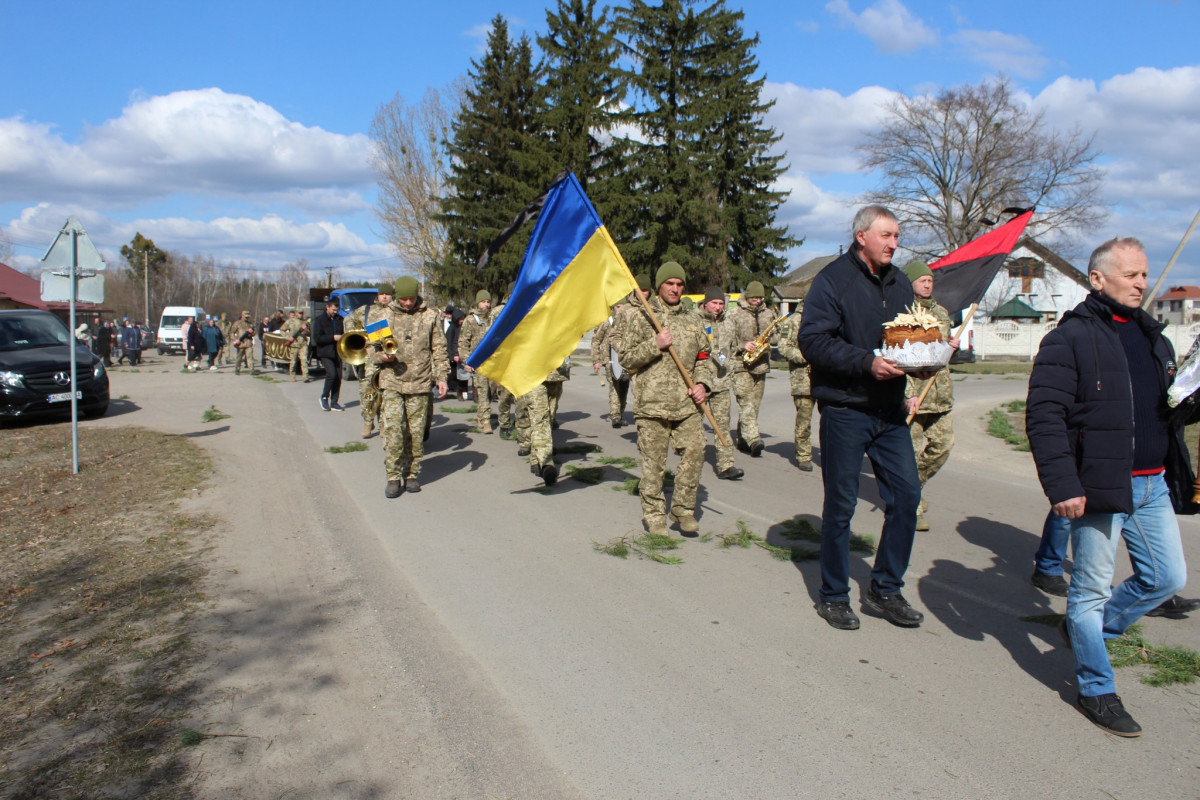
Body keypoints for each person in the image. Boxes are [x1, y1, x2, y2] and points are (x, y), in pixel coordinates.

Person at [1027, 236, 1196, 737]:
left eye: (1144, 274)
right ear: (1098, 279)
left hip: (1153, 485)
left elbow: (1164, 410)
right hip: (1100, 486)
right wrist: (1063, 484)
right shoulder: (1070, 338)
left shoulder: (1154, 337)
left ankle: (1088, 635)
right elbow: (1044, 416)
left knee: (1167, 579)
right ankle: (1096, 688)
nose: (1141, 283)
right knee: (1089, 591)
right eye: (1130, 274)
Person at [797, 204, 928, 631]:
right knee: (841, 505)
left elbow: (908, 335)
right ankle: (833, 595)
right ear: (862, 236)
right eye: (887, 235)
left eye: (897, 235)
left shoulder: (901, 282)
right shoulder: (832, 281)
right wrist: (865, 363)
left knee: (906, 497)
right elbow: (813, 341)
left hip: (890, 409)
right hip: (845, 408)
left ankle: (885, 589)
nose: (895, 243)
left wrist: (926, 359)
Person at [617, 261, 715, 536]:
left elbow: (704, 358)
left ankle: (683, 510)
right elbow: (626, 360)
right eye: (669, 283)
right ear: (659, 285)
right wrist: (654, 345)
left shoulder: (694, 319)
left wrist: (703, 384)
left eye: (679, 284)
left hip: (688, 405)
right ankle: (654, 514)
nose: (675, 288)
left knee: (695, 453)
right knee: (654, 466)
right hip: (652, 405)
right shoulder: (640, 317)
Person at [1030, 509, 1200, 615]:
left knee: (1142, 514)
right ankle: (1047, 569)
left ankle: (1152, 590)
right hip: (1095, 458)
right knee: (1070, 506)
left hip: (1141, 466)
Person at [375, 276, 449, 498]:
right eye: (404, 299)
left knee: (416, 434)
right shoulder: (383, 315)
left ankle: (412, 475)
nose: (408, 303)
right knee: (394, 431)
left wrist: (442, 377)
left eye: (412, 298)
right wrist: (381, 356)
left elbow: (439, 348)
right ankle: (393, 477)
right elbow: (371, 350)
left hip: (420, 382)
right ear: (398, 297)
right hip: (392, 382)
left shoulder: (430, 315)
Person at [901, 260, 960, 531]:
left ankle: (915, 487)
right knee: (910, 455)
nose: (928, 283)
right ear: (911, 282)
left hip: (940, 394)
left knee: (943, 446)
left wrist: (951, 348)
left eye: (930, 280)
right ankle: (911, 507)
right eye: (922, 279)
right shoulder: (901, 312)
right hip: (913, 392)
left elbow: (942, 355)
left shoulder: (942, 312)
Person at [693, 286, 743, 480]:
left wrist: (729, 366)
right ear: (706, 303)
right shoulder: (694, 322)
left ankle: (726, 465)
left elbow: (732, 349)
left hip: (721, 382)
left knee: (722, 424)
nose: (718, 307)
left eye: (721, 303)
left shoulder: (728, 324)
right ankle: (691, 458)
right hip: (699, 382)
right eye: (714, 303)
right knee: (694, 425)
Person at [728, 281, 779, 457]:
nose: (757, 300)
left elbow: (777, 336)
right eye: (754, 297)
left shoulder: (769, 314)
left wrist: (767, 341)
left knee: (753, 406)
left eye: (759, 297)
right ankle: (754, 439)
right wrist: (743, 345)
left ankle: (743, 439)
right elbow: (726, 339)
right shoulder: (734, 314)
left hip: (761, 365)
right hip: (740, 365)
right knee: (746, 403)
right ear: (747, 296)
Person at [345, 284, 392, 438]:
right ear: (377, 296)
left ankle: (384, 424)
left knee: (386, 393)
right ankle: (367, 421)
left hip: (391, 357)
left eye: (388, 294)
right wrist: (353, 333)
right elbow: (348, 319)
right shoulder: (367, 310)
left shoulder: (396, 311)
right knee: (367, 391)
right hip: (371, 357)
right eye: (382, 294)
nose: (384, 297)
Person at [776, 299, 814, 472]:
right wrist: (807, 356)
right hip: (803, 380)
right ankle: (804, 455)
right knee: (804, 420)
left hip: (826, 379)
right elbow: (784, 348)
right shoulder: (792, 321)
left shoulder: (825, 317)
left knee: (831, 421)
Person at [591, 302, 632, 429]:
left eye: (623, 306)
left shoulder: (629, 320)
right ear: (613, 308)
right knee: (615, 386)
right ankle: (615, 416)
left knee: (624, 386)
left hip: (626, 359)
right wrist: (596, 360)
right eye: (618, 306)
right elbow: (596, 340)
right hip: (610, 360)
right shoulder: (607, 322)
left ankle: (620, 414)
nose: (621, 309)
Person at [459, 290, 494, 434]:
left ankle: (480, 416)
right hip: (478, 361)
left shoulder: (493, 318)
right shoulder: (471, 320)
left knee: (491, 390)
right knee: (483, 390)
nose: (486, 305)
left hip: (492, 361)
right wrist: (467, 361)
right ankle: (486, 422)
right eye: (483, 301)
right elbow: (463, 342)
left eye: (488, 302)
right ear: (477, 302)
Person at [312, 297, 344, 411]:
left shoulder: (340, 319)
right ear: (327, 307)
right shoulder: (319, 320)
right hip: (325, 352)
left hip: (338, 352)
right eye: (333, 310)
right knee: (332, 374)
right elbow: (317, 338)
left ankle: (334, 402)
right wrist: (332, 337)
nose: (335, 312)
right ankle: (324, 397)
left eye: (337, 310)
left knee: (339, 377)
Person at [281, 310, 310, 382]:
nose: (301, 314)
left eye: (302, 313)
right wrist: (288, 337)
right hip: (294, 344)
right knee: (293, 361)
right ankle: (293, 375)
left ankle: (305, 377)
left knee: (304, 360)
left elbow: (309, 333)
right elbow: (282, 330)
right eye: (299, 313)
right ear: (296, 313)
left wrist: (306, 330)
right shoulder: (290, 321)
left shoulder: (305, 322)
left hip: (303, 344)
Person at [230, 310, 256, 375]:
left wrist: (252, 332)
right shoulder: (237, 323)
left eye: (248, 317)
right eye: (245, 317)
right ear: (242, 316)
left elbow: (254, 333)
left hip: (248, 343)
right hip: (240, 343)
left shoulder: (250, 324)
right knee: (239, 358)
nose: (247, 318)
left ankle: (251, 370)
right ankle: (237, 369)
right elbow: (232, 332)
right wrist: (235, 339)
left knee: (250, 357)